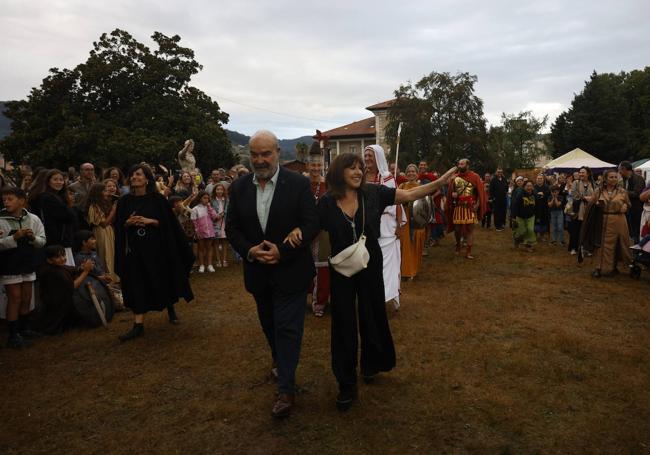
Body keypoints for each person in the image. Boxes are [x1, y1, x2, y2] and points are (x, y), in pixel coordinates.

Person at [298, 153, 455, 411]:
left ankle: (371, 364)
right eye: (352, 168)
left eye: (361, 167)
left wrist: (439, 182)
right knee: (343, 325)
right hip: (342, 269)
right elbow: (310, 227)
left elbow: (407, 196)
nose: (359, 171)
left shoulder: (373, 193)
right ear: (340, 172)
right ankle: (346, 383)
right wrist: (296, 232)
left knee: (372, 315)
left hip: (370, 264)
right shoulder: (327, 202)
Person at [226, 130, 319, 419]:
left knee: (287, 327)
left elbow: (311, 223)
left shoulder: (298, 185)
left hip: (291, 271)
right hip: (258, 272)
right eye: (254, 154)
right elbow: (232, 229)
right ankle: (281, 361)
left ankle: (286, 389)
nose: (259, 159)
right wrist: (251, 251)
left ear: (277, 152)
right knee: (269, 324)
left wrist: (283, 250)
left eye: (265, 153)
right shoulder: (239, 187)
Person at [114, 164, 194, 341]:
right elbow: (118, 226)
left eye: (138, 174)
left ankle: (170, 307)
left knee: (161, 278)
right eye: (132, 174)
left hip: (157, 249)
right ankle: (138, 325)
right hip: (134, 250)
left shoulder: (158, 200)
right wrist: (128, 223)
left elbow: (169, 225)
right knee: (137, 282)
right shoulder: (124, 202)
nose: (134, 177)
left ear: (147, 178)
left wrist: (151, 221)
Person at [0, 187, 46, 348]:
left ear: (21, 200)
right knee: (15, 298)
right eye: (4, 199)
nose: (6, 202)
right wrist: (14, 237)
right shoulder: (1, 219)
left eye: (10, 199)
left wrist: (33, 238)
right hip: (10, 263)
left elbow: (42, 240)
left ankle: (24, 328)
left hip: (28, 261)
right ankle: (13, 334)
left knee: (26, 296)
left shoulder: (33, 219)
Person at [363, 145, 404, 309]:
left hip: (386, 225)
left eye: (370, 156)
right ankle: (370, 295)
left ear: (378, 157)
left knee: (386, 264)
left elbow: (398, 201)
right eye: (365, 156)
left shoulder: (387, 177)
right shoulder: (361, 177)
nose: (367, 159)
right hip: (367, 224)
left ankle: (385, 296)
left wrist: (400, 225)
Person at [582, 169, 632, 277]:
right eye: (611, 177)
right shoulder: (598, 191)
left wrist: (626, 207)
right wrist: (594, 204)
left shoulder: (622, 191)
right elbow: (590, 205)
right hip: (602, 220)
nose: (614, 179)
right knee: (601, 245)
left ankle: (616, 267)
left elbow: (628, 204)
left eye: (615, 177)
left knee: (619, 244)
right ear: (605, 179)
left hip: (619, 220)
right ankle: (599, 268)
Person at [35, 244, 94, 334]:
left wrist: (81, 268)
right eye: (58, 257)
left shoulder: (56, 266)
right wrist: (85, 271)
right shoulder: (55, 272)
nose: (63, 259)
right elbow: (73, 286)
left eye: (63, 255)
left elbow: (71, 269)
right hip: (56, 311)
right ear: (49, 260)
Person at [28, 169, 77, 263]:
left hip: (62, 241)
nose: (59, 182)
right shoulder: (47, 198)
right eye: (55, 179)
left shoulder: (59, 197)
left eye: (61, 179)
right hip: (56, 242)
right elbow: (69, 216)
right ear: (48, 181)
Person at [445, 158, 486, 259]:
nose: (460, 166)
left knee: (470, 230)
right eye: (459, 164)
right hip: (458, 207)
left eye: (462, 164)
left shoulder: (475, 176)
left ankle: (468, 252)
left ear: (467, 165)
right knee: (457, 230)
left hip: (470, 207)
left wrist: (477, 205)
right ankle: (458, 245)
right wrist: (452, 194)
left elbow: (480, 192)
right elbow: (451, 191)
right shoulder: (455, 177)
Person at [306, 147, 330, 317]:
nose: (315, 168)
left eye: (318, 165)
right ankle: (304, 299)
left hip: (323, 232)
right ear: (308, 165)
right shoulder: (300, 183)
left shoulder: (327, 184)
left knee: (323, 267)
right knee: (304, 267)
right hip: (305, 232)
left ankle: (320, 301)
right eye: (313, 165)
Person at [85, 182, 118, 282]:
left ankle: (112, 277)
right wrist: (113, 210)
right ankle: (106, 278)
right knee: (105, 254)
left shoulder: (101, 204)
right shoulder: (94, 206)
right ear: (98, 192)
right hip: (102, 232)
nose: (107, 192)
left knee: (110, 254)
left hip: (108, 231)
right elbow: (103, 223)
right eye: (104, 191)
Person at [399, 164, 426, 279]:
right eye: (408, 171)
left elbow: (425, 206)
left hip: (416, 220)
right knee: (404, 245)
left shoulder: (422, 187)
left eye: (413, 171)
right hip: (404, 219)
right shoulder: (401, 186)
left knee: (414, 244)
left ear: (417, 173)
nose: (410, 173)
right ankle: (404, 271)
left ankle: (412, 271)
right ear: (405, 174)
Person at [568, 166, 595, 255]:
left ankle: (586, 248)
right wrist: (585, 198)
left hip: (589, 210)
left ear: (588, 174)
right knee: (576, 229)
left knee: (587, 230)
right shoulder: (576, 182)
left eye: (583, 172)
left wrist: (591, 199)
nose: (581, 174)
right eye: (580, 172)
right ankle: (574, 248)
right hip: (577, 210)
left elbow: (596, 195)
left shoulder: (593, 184)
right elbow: (574, 194)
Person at [619, 161, 646, 244]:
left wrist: (623, 192)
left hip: (637, 210)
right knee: (631, 232)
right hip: (629, 210)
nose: (619, 172)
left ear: (624, 169)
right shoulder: (624, 179)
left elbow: (637, 193)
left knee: (637, 231)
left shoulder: (638, 178)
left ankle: (638, 250)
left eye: (620, 170)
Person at [191, 190, 218, 273]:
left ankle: (209, 265)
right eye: (204, 198)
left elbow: (215, 216)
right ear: (200, 199)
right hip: (201, 232)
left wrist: (209, 207)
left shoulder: (209, 208)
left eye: (207, 198)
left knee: (209, 247)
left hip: (210, 231)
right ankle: (202, 265)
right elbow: (193, 221)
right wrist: (197, 232)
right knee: (201, 248)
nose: (206, 200)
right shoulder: (195, 209)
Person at [511, 181, 537, 252]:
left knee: (530, 230)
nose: (529, 188)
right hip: (520, 216)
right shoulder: (520, 194)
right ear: (524, 187)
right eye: (527, 186)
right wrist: (513, 217)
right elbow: (515, 206)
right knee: (522, 231)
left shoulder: (534, 194)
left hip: (531, 216)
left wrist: (537, 215)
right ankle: (517, 240)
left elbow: (537, 205)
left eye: (530, 186)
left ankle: (528, 246)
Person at [210, 182, 229, 268]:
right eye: (217, 189)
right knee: (216, 242)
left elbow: (229, 210)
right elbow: (210, 211)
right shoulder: (212, 200)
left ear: (224, 190)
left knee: (225, 241)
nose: (219, 191)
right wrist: (216, 216)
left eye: (221, 189)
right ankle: (218, 260)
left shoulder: (227, 200)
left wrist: (223, 214)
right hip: (215, 222)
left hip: (224, 222)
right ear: (215, 191)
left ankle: (224, 260)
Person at [533, 174, 550, 242]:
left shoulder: (547, 187)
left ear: (543, 180)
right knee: (535, 222)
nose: (539, 179)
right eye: (538, 178)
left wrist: (544, 195)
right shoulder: (533, 187)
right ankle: (535, 236)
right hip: (535, 208)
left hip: (544, 208)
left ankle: (542, 236)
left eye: (541, 178)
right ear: (536, 179)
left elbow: (549, 197)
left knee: (543, 222)